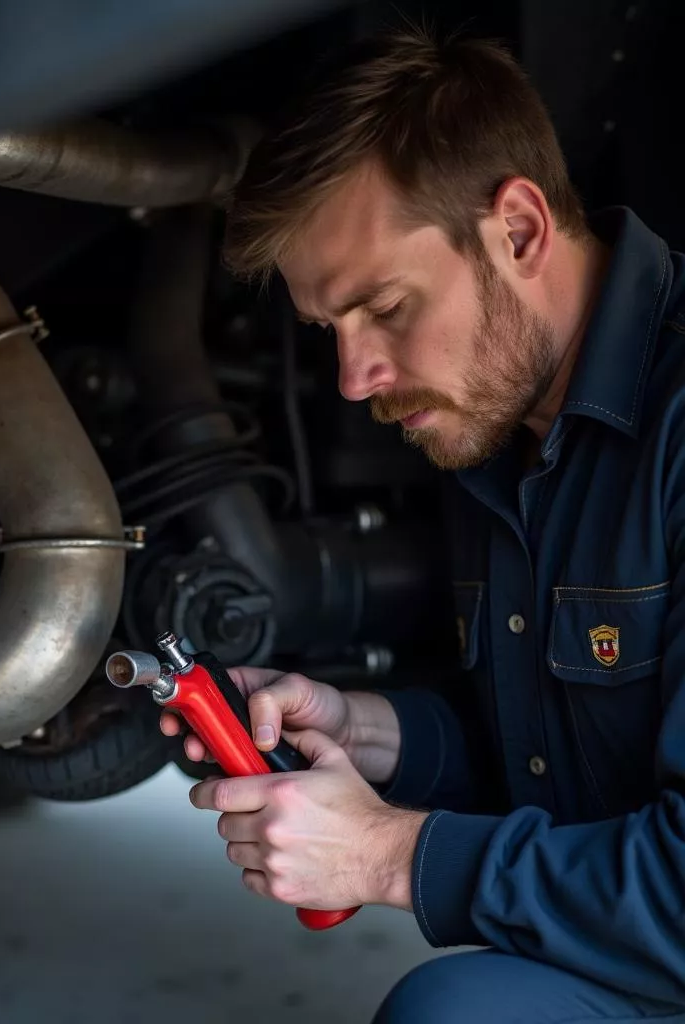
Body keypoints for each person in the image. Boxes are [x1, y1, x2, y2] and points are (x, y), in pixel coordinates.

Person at [159, 25, 685, 1024]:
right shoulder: (494, 417)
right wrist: (367, 729)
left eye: (386, 308)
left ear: (519, 231)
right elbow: (553, 758)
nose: (354, 379)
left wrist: (381, 851)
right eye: (330, 334)